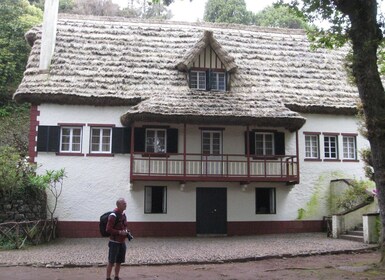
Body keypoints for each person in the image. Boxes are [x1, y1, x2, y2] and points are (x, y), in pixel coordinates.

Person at [106, 198, 129, 280]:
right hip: (114, 242)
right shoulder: (113, 215)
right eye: (124, 203)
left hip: (122, 242)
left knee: (119, 261)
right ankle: (108, 278)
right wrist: (119, 232)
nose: (126, 204)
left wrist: (126, 231)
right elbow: (108, 229)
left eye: (125, 203)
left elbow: (125, 225)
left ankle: (116, 276)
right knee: (111, 261)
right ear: (118, 205)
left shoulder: (123, 214)